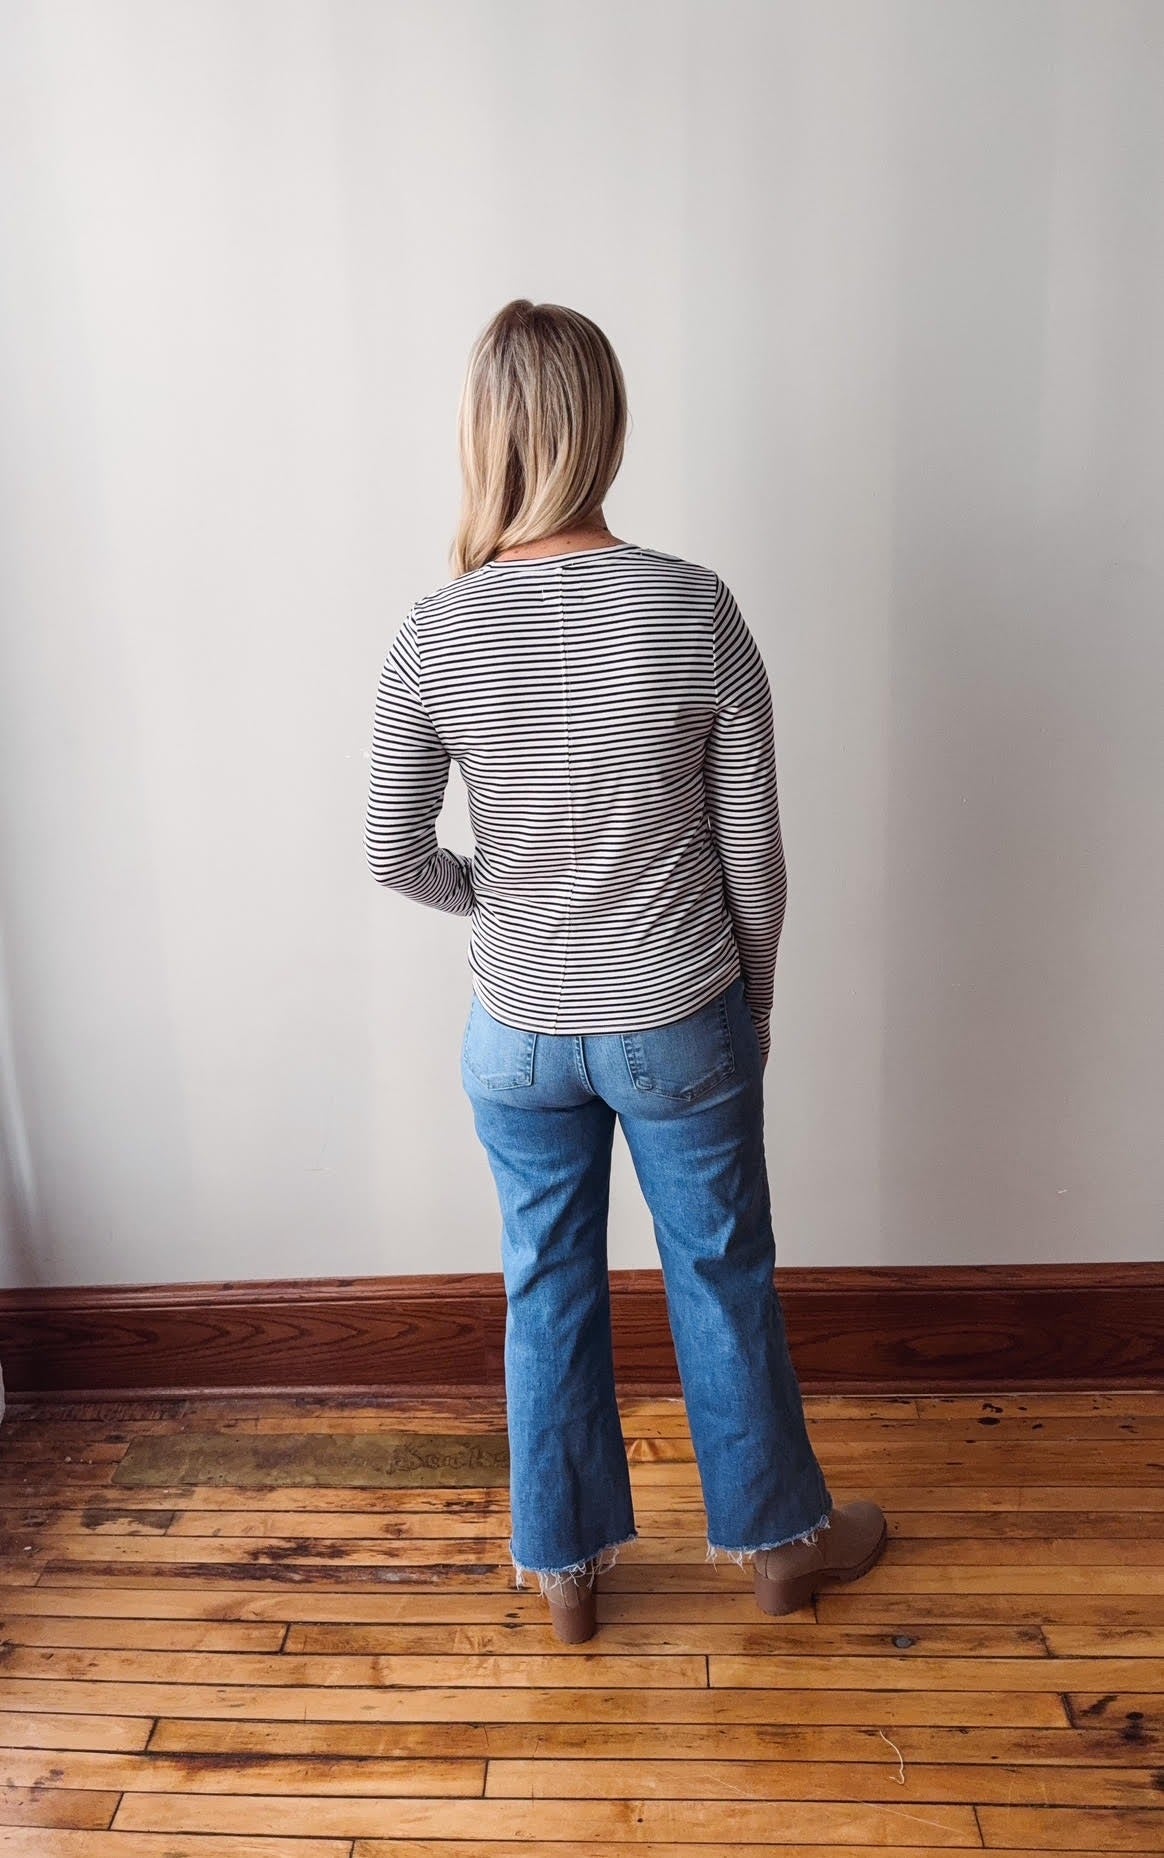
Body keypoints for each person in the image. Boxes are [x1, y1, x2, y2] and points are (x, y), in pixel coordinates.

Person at [364, 298, 887, 1642]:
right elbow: (753, 850)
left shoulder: (435, 630)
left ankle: (565, 1573)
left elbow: (390, 849)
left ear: (483, 433)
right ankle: (782, 1548)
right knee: (723, 1272)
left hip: (517, 1030)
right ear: (605, 425)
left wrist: (501, 906)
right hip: (677, 1011)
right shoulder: (694, 607)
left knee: (545, 1282)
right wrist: (752, 1002)